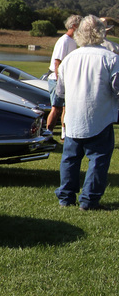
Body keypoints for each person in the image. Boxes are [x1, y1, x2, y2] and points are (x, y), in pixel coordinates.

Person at [53, 16, 119, 210]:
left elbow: (60, 91)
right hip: (100, 117)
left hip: (73, 118)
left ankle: (66, 197)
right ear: (102, 33)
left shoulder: (69, 59)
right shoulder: (111, 58)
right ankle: (89, 200)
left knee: (70, 159)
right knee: (98, 159)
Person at [46, 15, 81, 131]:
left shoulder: (73, 41)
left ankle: (64, 134)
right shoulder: (64, 41)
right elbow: (57, 63)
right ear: (74, 26)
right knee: (56, 108)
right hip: (57, 79)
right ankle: (48, 133)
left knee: (66, 108)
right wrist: (60, 80)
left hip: (67, 79)